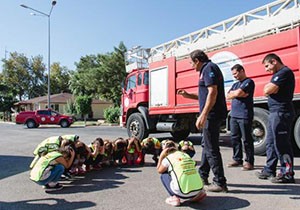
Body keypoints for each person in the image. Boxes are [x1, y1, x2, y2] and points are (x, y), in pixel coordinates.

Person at [177, 49, 228, 192]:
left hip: (212, 114)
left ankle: (220, 182)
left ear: (197, 61)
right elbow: (205, 95)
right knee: (207, 145)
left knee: (211, 148)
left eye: (191, 63)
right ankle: (202, 175)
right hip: (211, 113)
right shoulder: (206, 69)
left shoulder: (208, 68)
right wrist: (188, 96)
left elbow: (213, 92)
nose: (191, 66)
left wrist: (203, 114)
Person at [255, 53, 295, 183]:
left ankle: (287, 173)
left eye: (267, 66)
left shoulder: (284, 72)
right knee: (271, 143)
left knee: (282, 145)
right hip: (274, 113)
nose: (266, 69)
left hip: (281, 113)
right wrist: (269, 89)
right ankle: (269, 169)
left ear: (274, 61)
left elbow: (268, 89)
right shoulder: (277, 75)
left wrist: (269, 89)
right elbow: (267, 89)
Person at [157, 140, 206, 207]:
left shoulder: (168, 158)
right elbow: (193, 165)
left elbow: (159, 170)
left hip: (181, 192)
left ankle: (174, 198)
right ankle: (196, 194)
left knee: (164, 175)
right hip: (198, 189)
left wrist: (161, 156)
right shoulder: (186, 155)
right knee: (188, 171)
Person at [226, 64, 255, 170]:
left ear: (242, 71)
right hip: (234, 115)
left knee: (247, 139)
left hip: (244, 115)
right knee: (234, 138)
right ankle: (237, 159)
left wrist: (237, 94)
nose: (235, 76)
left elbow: (238, 93)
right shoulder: (235, 84)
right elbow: (229, 95)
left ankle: (249, 161)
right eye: (233, 74)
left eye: (236, 73)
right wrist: (236, 94)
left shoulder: (249, 82)